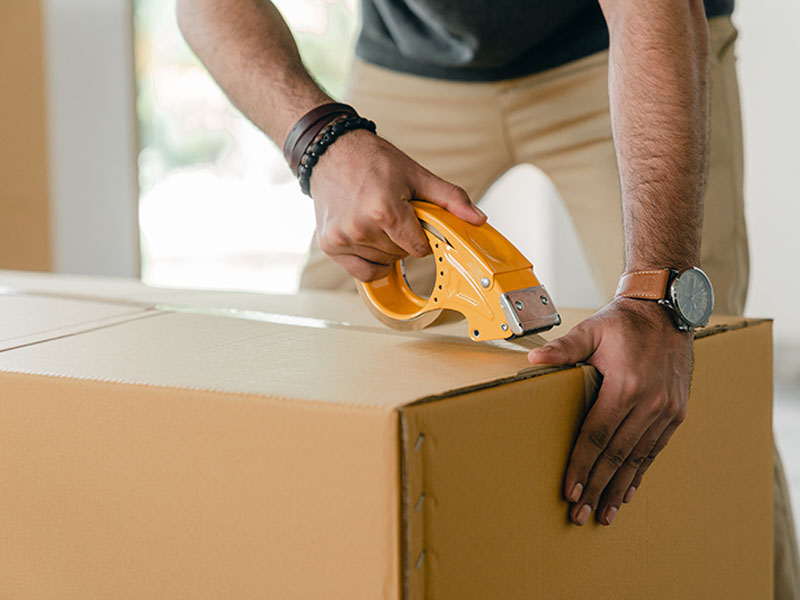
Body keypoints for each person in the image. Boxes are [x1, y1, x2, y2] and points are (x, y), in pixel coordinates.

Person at [177, 1, 799, 595]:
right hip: (414, 61)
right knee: (338, 351)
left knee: (697, 371)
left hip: (619, 46)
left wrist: (657, 296)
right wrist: (324, 142)